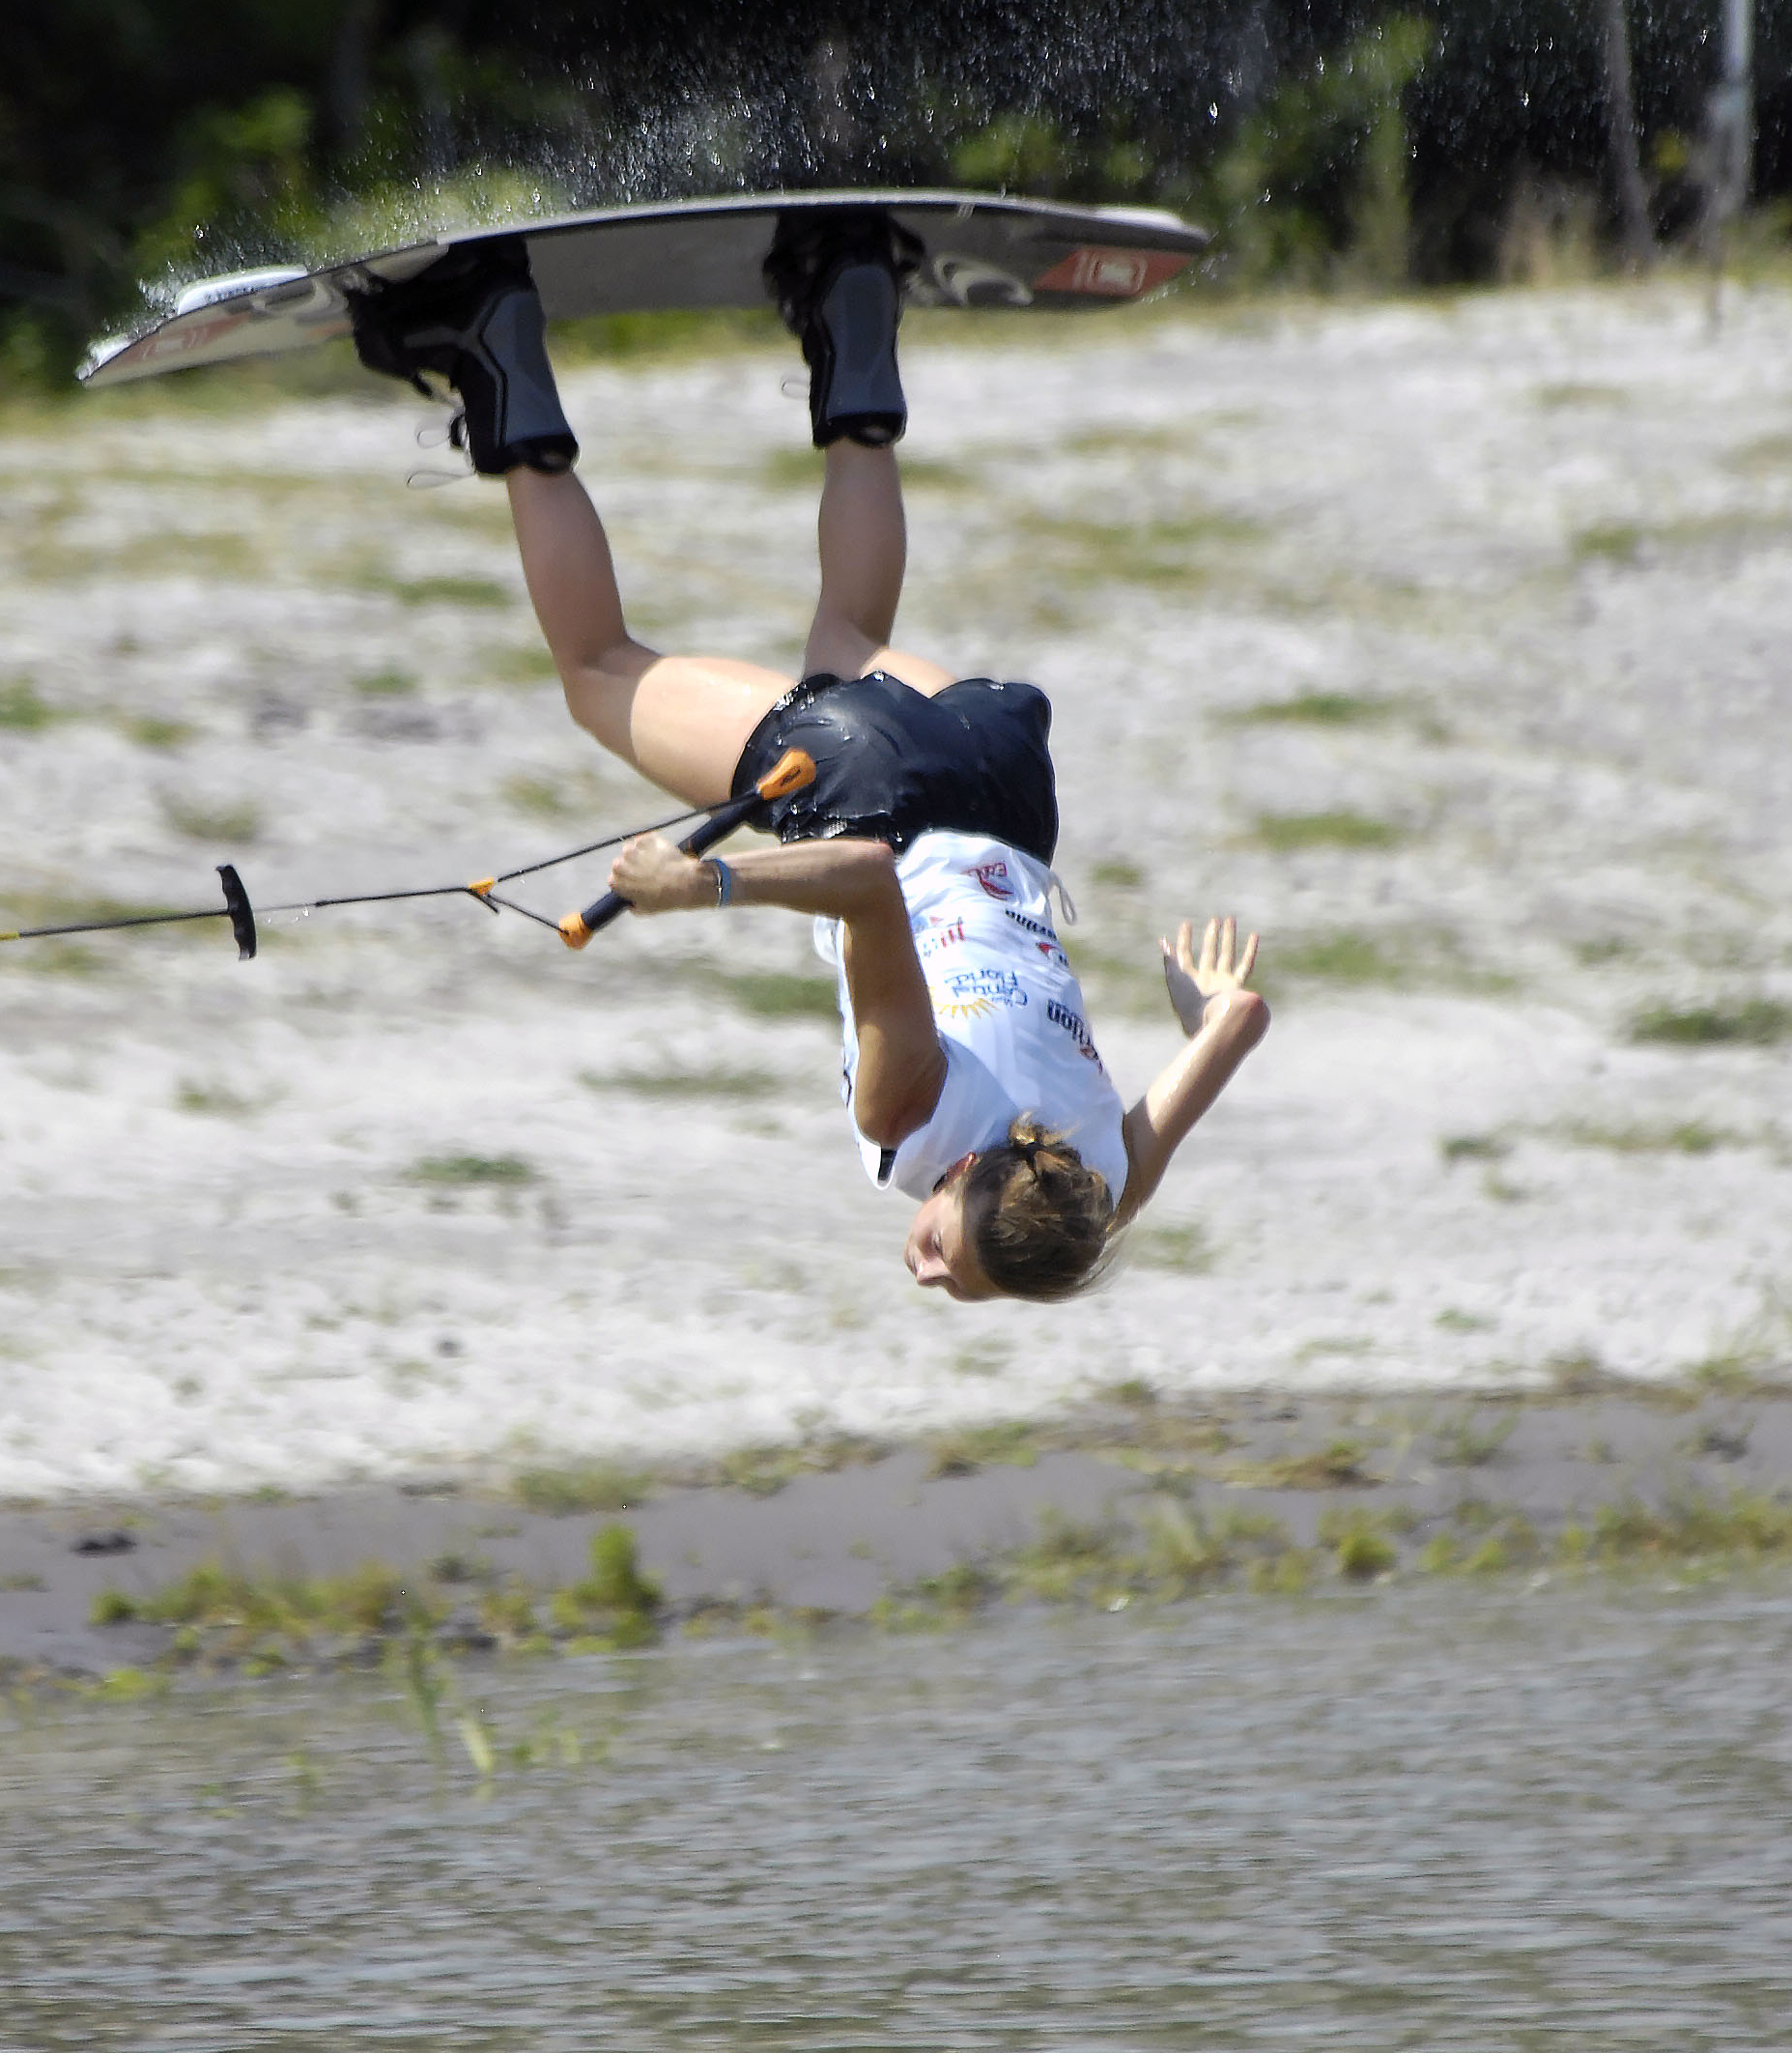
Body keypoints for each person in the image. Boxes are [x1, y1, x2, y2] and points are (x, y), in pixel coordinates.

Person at [345, 209, 1271, 1303]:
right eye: (946, 1249)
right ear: (964, 1172)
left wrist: (1204, 1004)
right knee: (598, 672)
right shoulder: (909, 1114)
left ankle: (852, 292)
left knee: (846, 640)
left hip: (1007, 784)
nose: (924, 1267)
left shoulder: (1097, 1186)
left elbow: (1241, 1024)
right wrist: (701, 882)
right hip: (876, 795)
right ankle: (489, 341)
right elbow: (869, 887)